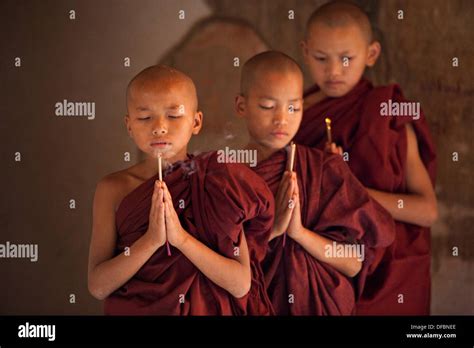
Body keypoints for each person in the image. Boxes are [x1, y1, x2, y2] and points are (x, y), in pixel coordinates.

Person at [88, 65, 275, 315]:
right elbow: (98, 286)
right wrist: (151, 241)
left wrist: (181, 240)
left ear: (196, 122)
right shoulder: (112, 189)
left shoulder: (217, 183)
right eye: (144, 117)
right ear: (129, 125)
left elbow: (240, 284)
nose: (159, 127)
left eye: (174, 115)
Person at [295, 0, 437, 315]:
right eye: (321, 58)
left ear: (371, 55)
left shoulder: (385, 114)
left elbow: (427, 211)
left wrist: (351, 190)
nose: (333, 71)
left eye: (346, 59)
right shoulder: (293, 113)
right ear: (305, 52)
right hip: (322, 263)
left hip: (389, 272)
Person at [235, 51, 395, 315]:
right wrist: (273, 231)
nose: (281, 120)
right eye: (267, 106)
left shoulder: (322, 169)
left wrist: (299, 233)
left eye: (293, 108)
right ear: (241, 106)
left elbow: (354, 263)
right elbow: (221, 270)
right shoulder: (224, 179)